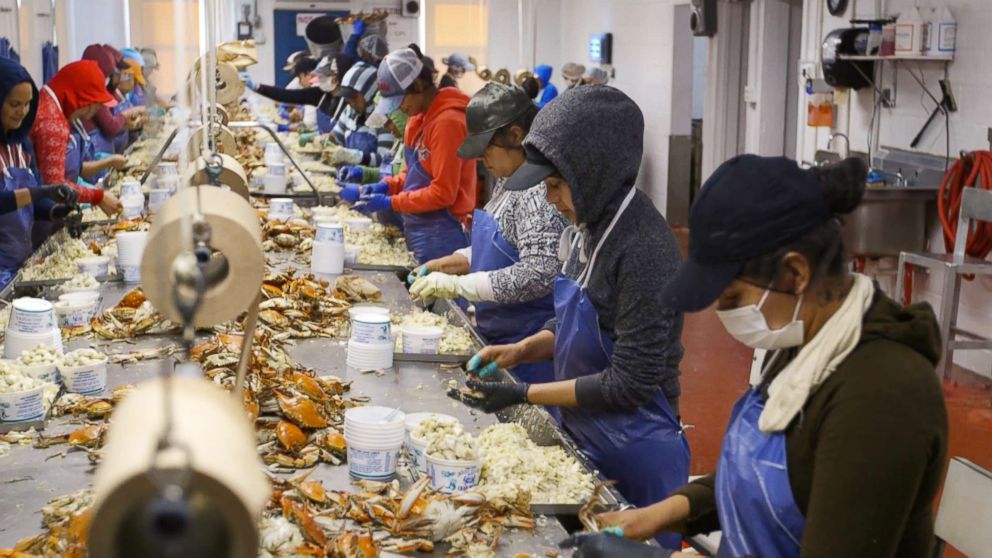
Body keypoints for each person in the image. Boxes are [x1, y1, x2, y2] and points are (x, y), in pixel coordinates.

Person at [572, 156, 949, 558]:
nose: (725, 315)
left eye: (734, 297)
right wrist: (654, 516)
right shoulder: (802, 342)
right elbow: (757, 478)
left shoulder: (882, 395)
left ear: (795, 274)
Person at [460, 86, 689, 549]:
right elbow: (571, 320)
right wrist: (523, 349)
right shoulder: (584, 230)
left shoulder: (643, 249)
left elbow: (630, 382)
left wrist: (523, 392)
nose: (550, 201)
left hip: (636, 450)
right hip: (585, 431)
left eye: (555, 186)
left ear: (592, 174)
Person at [404, 82, 567, 386]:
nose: (481, 161)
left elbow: (537, 273)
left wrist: (461, 286)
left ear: (516, 136)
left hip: (528, 346)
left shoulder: (537, 192)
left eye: (485, 150)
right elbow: (500, 244)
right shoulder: (509, 178)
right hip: (501, 335)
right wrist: (445, 264)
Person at [354, 45, 476, 264]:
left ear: (418, 84)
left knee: (443, 296)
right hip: (418, 227)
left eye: (400, 100)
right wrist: (387, 186)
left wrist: (390, 203)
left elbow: (443, 193)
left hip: (445, 232)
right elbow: (411, 177)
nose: (399, 108)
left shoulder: (448, 122)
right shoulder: (416, 120)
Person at [0, 57, 77, 289]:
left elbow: (30, 208)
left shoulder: (19, 146)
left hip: (18, 268)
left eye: (27, 104)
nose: (22, 112)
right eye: (14, 104)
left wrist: (58, 211)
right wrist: (41, 191)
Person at [29, 60, 121, 219]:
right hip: (42, 219)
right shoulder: (52, 122)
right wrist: (99, 197)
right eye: (95, 104)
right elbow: (55, 187)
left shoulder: (48, 102)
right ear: (82, 98)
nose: (95, 110)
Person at [322, 57, 395, 167]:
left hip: (371, 182)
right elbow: (336, 137)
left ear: (369, 93)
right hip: (346, 178)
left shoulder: (384, 118)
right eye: (347, 97)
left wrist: (355, 157)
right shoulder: (350, 111)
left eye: (354, 97)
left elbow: (385, 159)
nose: (350, 102)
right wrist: (327, 141)